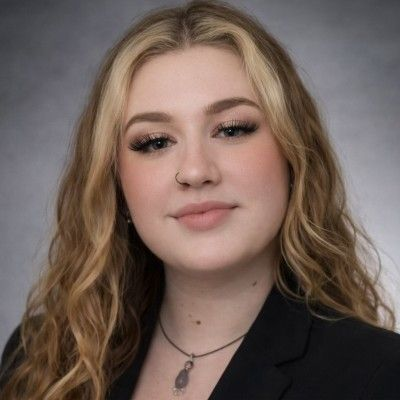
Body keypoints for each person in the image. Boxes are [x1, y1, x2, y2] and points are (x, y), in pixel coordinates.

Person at [1, 0, 399, 399]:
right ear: (114, 182)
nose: (194, 171)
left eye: (231, 129)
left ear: (294, 156)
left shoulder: (381, 375)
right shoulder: (38, 359)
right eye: (155, 141)